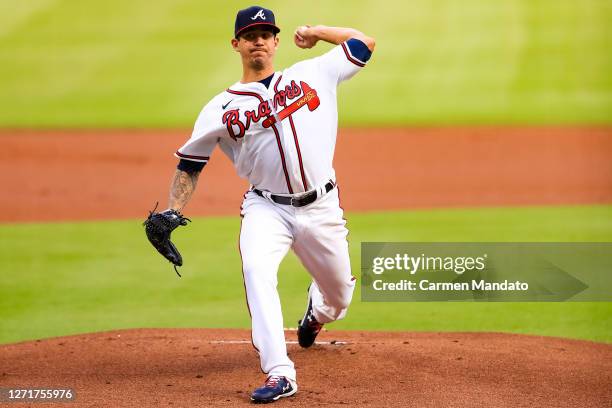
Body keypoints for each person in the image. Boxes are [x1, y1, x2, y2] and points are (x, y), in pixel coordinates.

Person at [164, 6, 374, 403]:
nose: (258, 40)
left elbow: (364, 43)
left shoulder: (313, 73)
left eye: (265, 33)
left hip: (322, 208)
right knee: (257, 270)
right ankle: (280, 372)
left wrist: (317, 31)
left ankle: (317, 313)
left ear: (276, 41)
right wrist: (171, 211)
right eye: (250, 34)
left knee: (340, 296)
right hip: (266, 209)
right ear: (236, 44)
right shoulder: (219, 108)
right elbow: (190, 164)